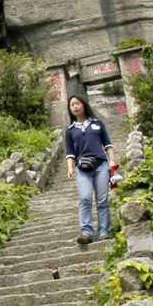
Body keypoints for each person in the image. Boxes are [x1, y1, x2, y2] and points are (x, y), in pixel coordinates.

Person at [64, 95, 117, 245]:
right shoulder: (70, 130)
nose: (75, 107)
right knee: (85, 198)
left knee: (102, 200)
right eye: (72, 105)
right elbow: (69, 153)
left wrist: (112, 161)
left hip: (101, 165)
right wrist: (70, 168)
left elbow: (108, 144)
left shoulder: (97, 124)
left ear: (83, 104)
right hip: (82, 168)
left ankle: (104, 231)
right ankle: (86, 232)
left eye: (77, 103)